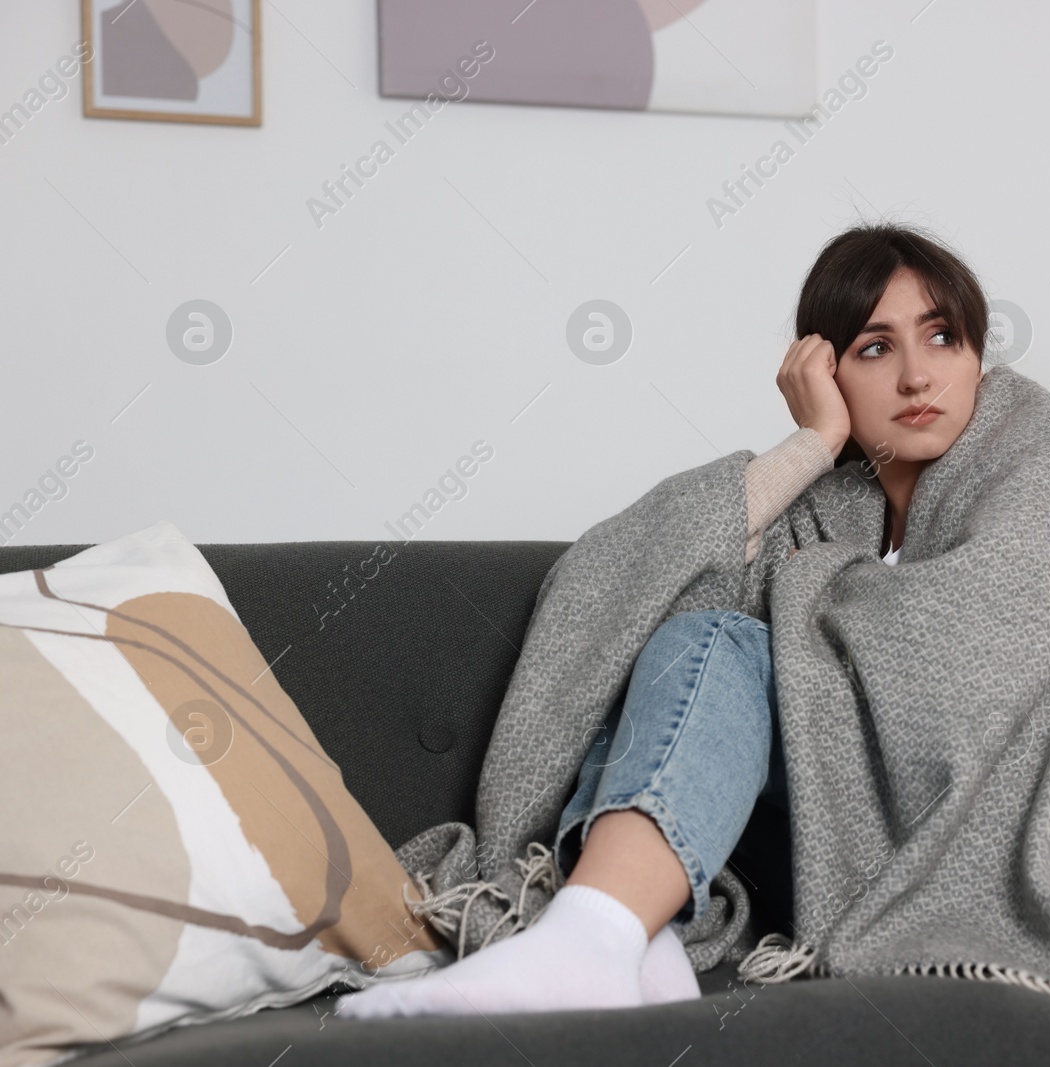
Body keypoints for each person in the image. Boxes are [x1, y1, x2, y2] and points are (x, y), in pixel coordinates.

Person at [337, 221, 989, 1019]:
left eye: (943, 336)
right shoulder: (816, 519)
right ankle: (626, 939)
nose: (918, 374)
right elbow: (614, 584)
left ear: (978, 360)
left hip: (949, 844)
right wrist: (814, 442)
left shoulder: (1026, 494)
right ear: (827, 371)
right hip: (806, 855)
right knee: (701, 636)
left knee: (725, 637)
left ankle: (602, 938)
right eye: (875, 348)